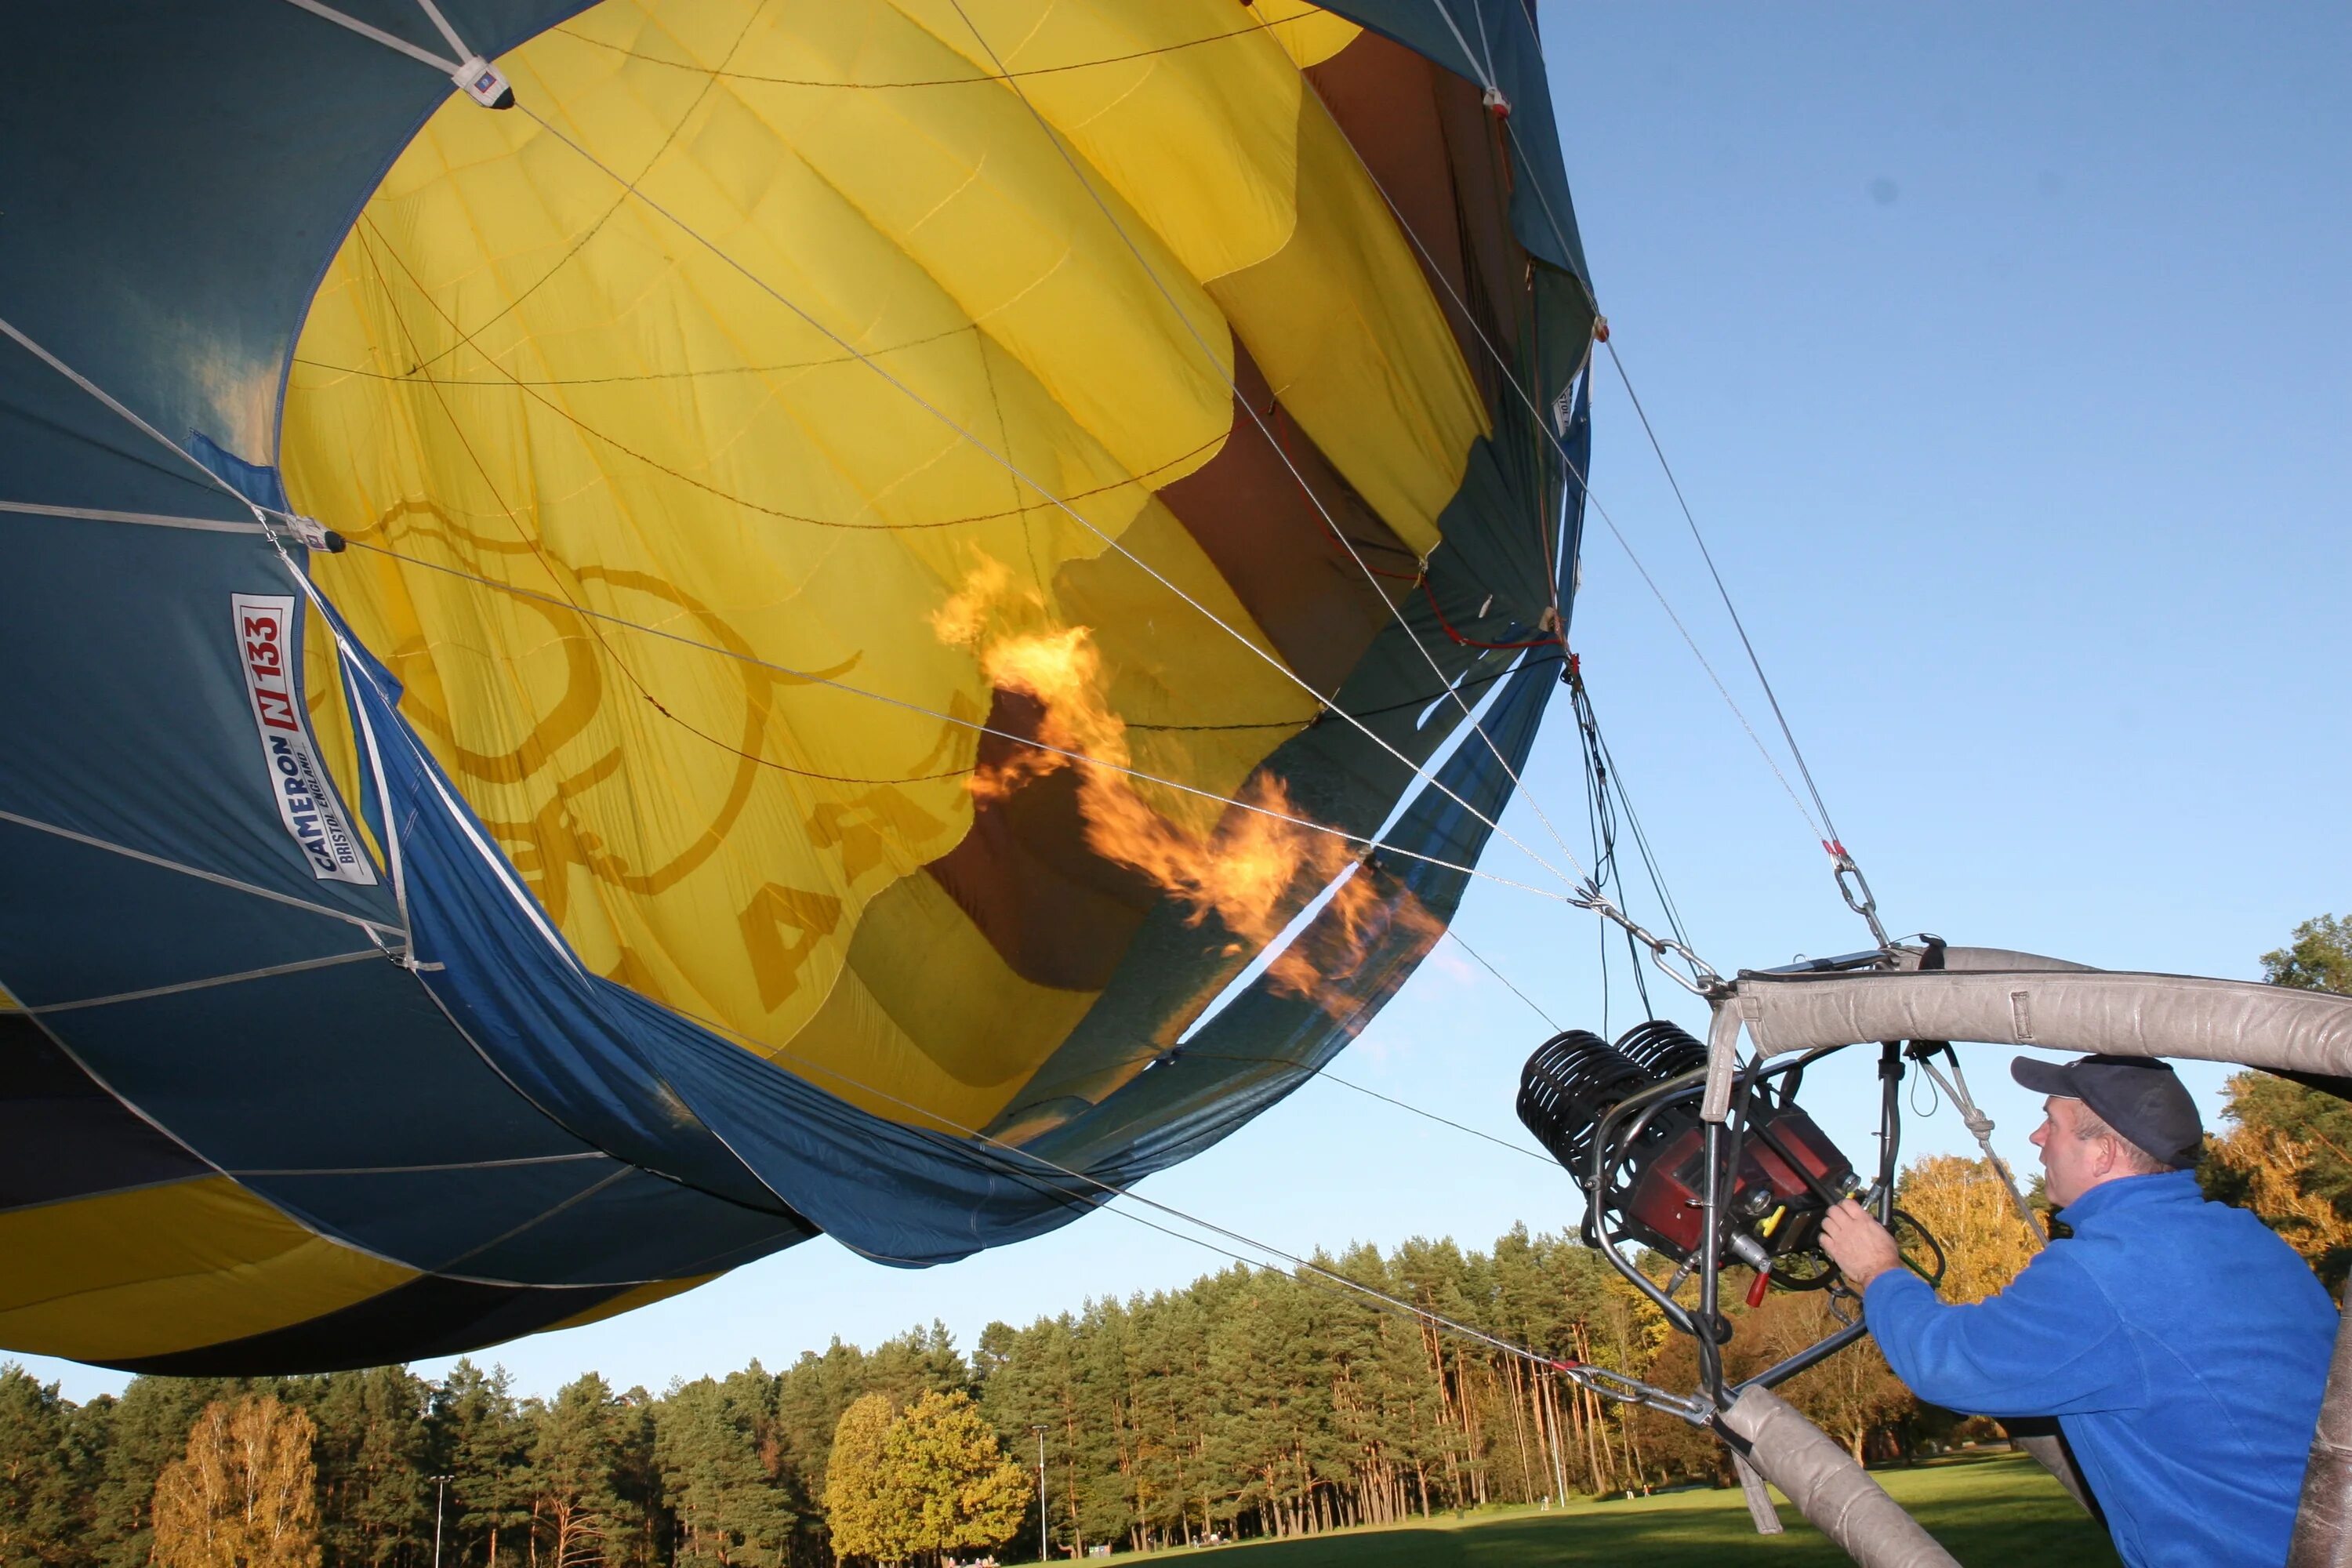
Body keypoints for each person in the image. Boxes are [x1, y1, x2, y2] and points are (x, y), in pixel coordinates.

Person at [1817, 1053, 2339, 1568]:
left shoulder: (2106, 1271)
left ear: (2103, 1154)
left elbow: (1947, 1363)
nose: (2036, 1139)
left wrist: (1879, 1272)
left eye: (2053, 1124)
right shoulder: (2247, 1237)